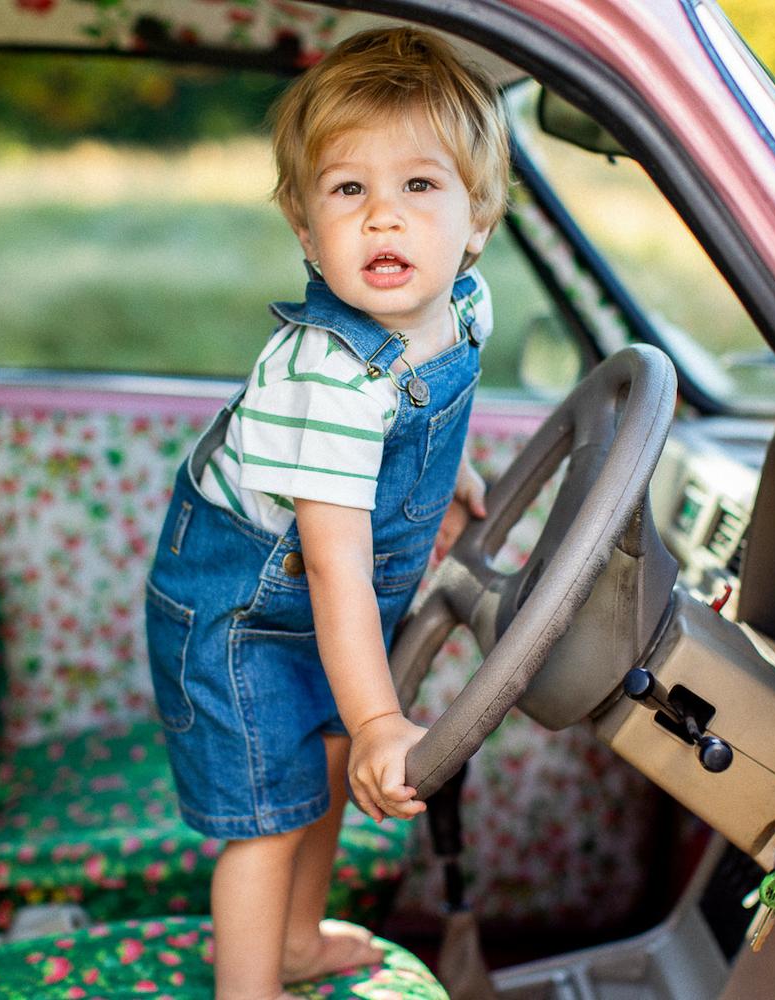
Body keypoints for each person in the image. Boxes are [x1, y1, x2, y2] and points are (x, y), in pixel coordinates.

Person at [145, 26, 510, 1000]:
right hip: (241, 606)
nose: (383, 216)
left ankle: (298, 942)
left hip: (322, 595)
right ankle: (249, 986)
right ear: (307, 232)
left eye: (419, 185)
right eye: (348, 190)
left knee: (337, 754)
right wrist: (385, 716)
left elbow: (428, 414)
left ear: (477, 219)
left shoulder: (465, 306)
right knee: (271, 812)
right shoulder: (329, 377)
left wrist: (449, 475)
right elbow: (334, 564)